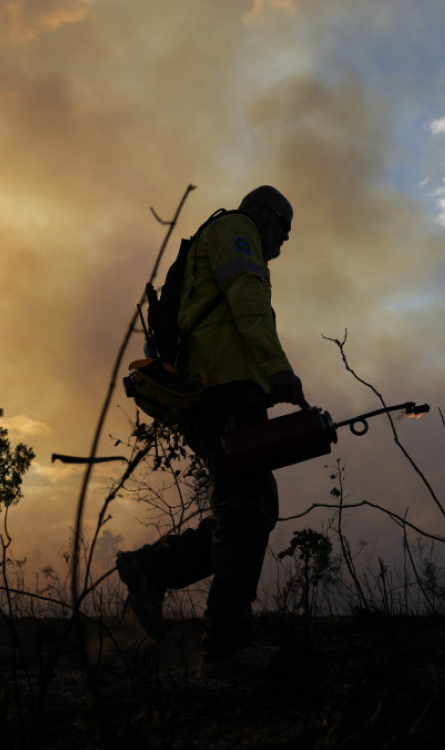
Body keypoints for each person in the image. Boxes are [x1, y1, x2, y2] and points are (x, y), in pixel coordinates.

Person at [117, 185, 308, 675]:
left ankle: (153, 569)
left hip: (217, 395)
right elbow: (247, 300)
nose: (283, 244)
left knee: (247, 508)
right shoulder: (236, 231)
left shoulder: (217, 237)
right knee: (248, 508)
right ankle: (226, 649)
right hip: (224, 393)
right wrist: (278, 368)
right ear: (262, 215)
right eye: (282, 229)